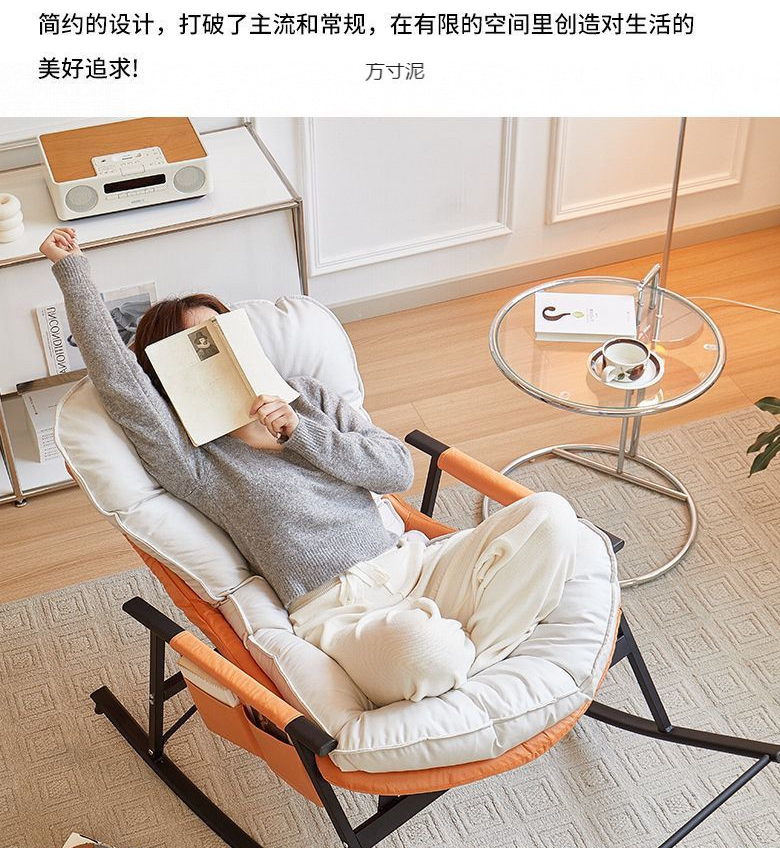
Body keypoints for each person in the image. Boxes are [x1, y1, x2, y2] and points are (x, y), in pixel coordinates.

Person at [42, 227, 579, 707]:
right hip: (339, 613)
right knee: (425, 651)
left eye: (224, 335)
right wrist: (72, 272)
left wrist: (298, 434)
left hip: (415, 565)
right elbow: (119, 382)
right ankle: (476, 648)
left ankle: (470, 654)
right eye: (198, 349)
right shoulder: (192, 455)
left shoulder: (308, 397)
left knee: (552, 515)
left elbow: (396, 472)